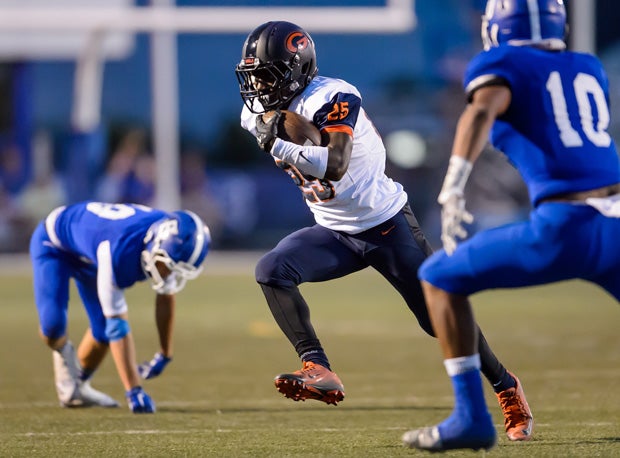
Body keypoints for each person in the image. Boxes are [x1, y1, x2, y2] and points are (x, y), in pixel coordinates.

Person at [235, 20, 532, 440]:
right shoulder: (255, 114)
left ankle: (506, 386)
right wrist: (279, 133)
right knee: (272, 270)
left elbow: (334, 164)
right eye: (255, 77)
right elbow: (290, 137)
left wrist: (279, 143)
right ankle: (317, 366)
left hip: (386, 226)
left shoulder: (334, 95)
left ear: (297, 68)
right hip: (334, 230)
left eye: (268, 75)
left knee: (439, 320)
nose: (260, 87)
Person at [403, 0, 620, 452]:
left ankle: (470, 418)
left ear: (499, 25)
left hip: (567, 225)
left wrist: (454, 184)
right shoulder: (586, 65)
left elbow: (483, 109)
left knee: (439, 277)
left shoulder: (500, 62)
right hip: (615, 220)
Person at [30, 202, 211, 413]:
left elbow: (165, 296)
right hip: (54, 244)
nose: (168, 274)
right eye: (167, 267)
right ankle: (65, 364)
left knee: (102, 331)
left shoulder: (164, 241)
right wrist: (134, 391)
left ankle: (77, 386)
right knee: (53, 328)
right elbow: (117, 325)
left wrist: (164, 352)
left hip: (90, 252)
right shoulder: (118, 250)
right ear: (156, 245)